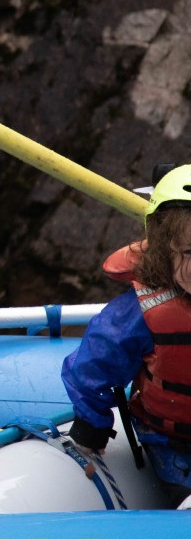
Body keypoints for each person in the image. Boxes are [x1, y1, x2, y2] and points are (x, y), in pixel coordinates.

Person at [62, 164, 191, 506]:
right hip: (172, 442)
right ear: (165, 250)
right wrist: (92, 425)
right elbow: (94, 365)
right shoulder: (139, 314)